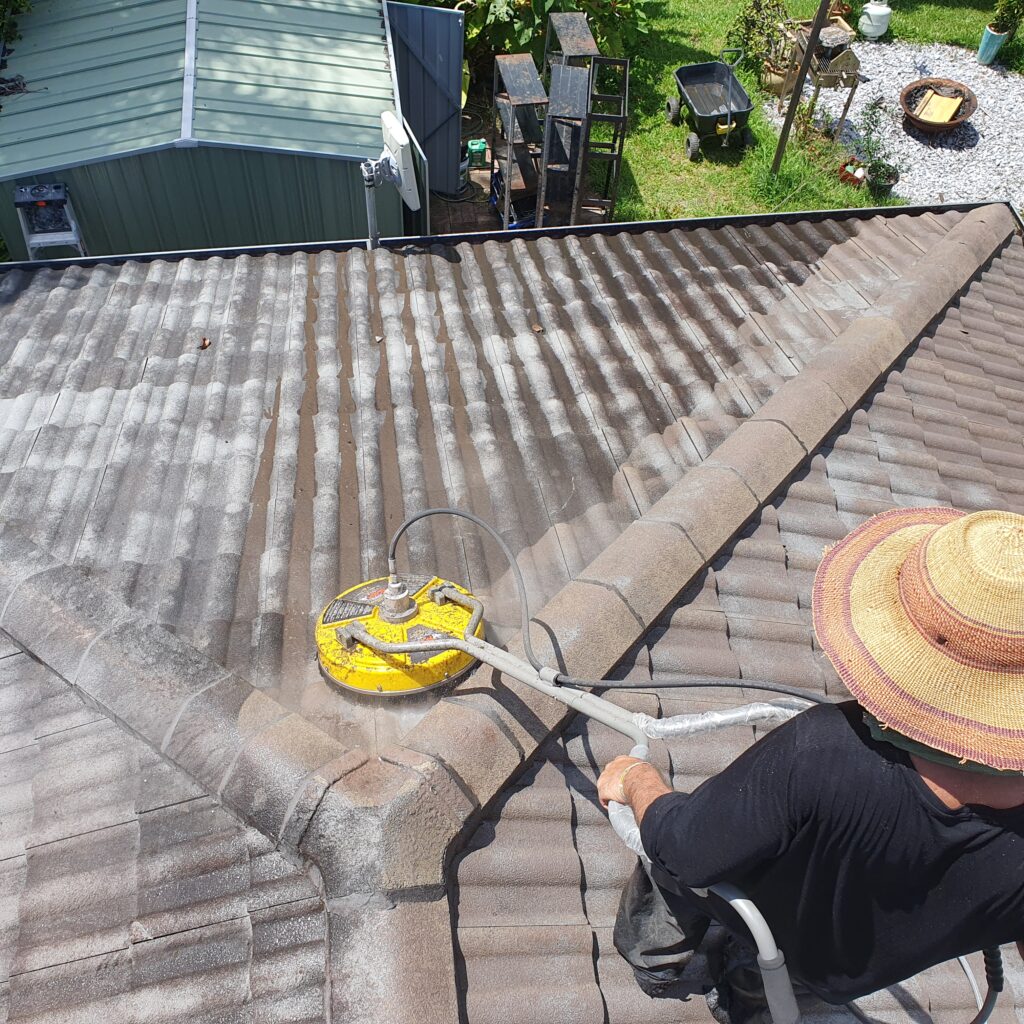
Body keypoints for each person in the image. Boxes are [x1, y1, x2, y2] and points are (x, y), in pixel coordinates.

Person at [598, 507, 1024, 1023]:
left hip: (761, 920)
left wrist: (637, 780)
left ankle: (662, 968)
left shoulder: (825, 752)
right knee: (777, 981)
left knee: (664, 855)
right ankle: (752, 993)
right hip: (834, 976)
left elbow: (686, 852)